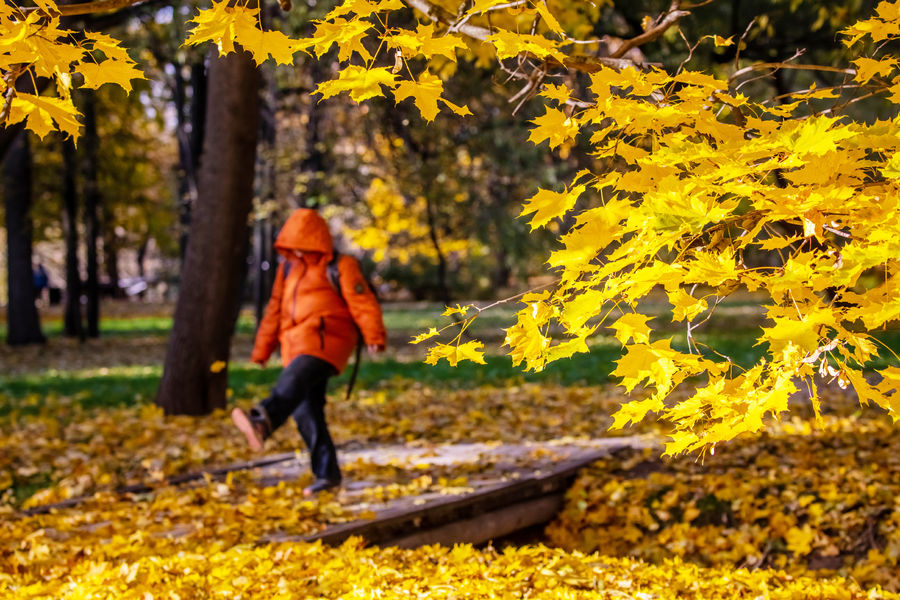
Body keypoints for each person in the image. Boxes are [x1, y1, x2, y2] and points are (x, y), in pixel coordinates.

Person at [232, 208, 386, 496]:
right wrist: (262, 349)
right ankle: (327, 476)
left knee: (293, 381)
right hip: (294, 344)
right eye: (293, 246)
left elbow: (362, 301)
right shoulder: (288, 269)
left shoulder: (341, 265)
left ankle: (263, 420)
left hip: (327, 341)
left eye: (302, 244)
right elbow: (275, 309)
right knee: (307, 411)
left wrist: (374, 334)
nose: (298, 251)